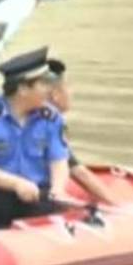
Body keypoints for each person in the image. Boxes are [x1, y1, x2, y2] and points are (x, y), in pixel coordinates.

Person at [0, 47, 70, 230]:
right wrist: (16, 184)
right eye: (43, 84)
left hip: (37, 194)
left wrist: (58, 189)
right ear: (22, 89)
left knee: (56, 206)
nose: (49, 90)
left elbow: (58, 161)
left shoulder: (51, 118)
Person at [46, 58, 124, 206]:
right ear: (56, 94)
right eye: (67, 87)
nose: (71, 92)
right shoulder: (47, 124)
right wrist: (118, 205)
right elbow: (79, 173)